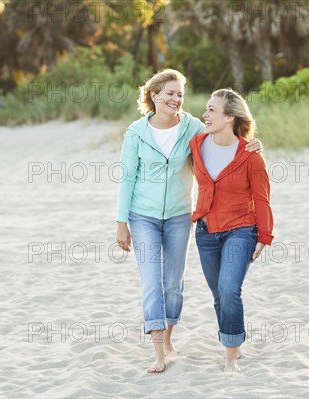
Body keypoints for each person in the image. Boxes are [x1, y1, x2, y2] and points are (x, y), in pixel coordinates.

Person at [115, 70, 262, 373]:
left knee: (173, 284)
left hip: (181, 215)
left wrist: (254, 144)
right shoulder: (136, 132)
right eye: (169, 93)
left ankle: (169, 338)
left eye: (180, 93)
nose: (176, 99)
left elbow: (228, 138)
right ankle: (158, 352)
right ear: (153, 95)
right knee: (152, 282)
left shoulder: (194, 128)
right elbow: (127, 178)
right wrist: (121, 221)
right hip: (143, 216)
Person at [190, 88, 274, 373]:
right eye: (207, 108)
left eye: (212, 110)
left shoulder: (250, 156)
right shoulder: (196, 144)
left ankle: (231, 355)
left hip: (241, 229)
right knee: (218, 294)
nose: (205, 114)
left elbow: (262, 198)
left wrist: (265, 236)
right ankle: (231, 341)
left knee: (229, 289)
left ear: (230, 117)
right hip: (205, 231)